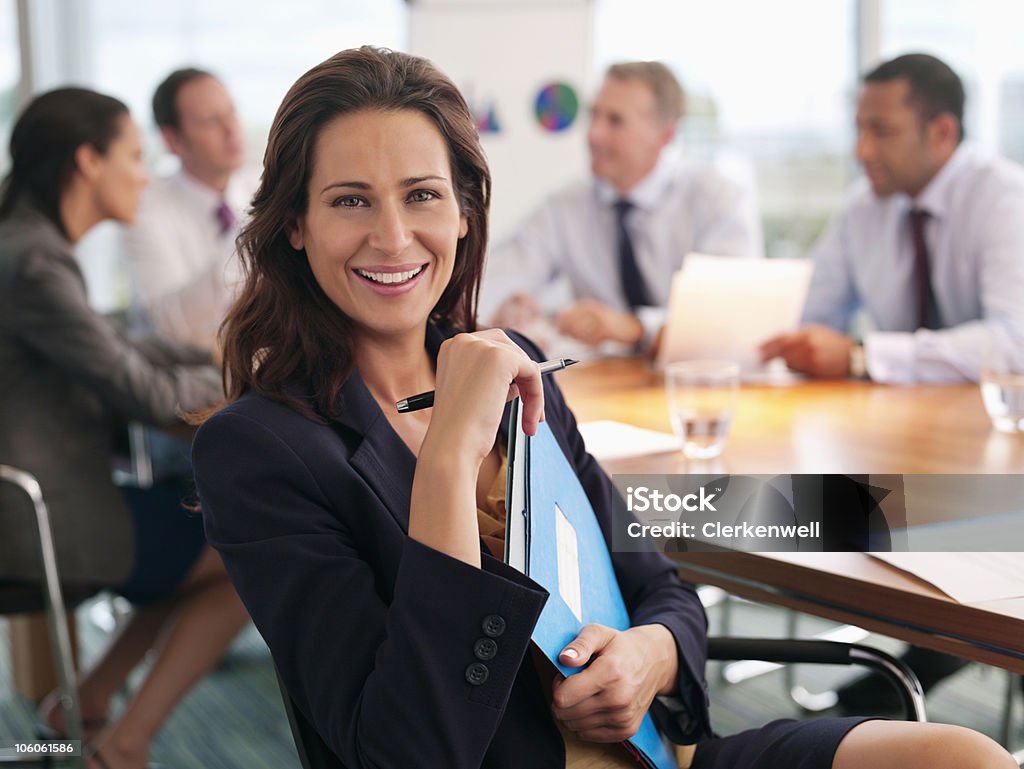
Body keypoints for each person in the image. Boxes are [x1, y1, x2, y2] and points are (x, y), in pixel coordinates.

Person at [190, 47, 1015, 769]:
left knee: (961, 754)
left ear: (465, 210)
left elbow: (663, 589)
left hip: (661, 752)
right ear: (293, 223)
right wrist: (445, 461)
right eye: (349, 201)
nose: (396, 237)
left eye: (422, 195)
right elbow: (410, 749)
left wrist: (650, 657)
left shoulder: (513, 365)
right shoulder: (260, 448)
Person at [0, 87, 250, 769]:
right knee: (246, 545)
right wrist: (243, 387)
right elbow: (140, 391)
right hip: (37, 522)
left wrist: (206, 360)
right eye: (134, 155)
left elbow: (118, 348)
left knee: (203, 537)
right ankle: (123, 743)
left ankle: (85, 702)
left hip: (43, 504)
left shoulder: (28, 244)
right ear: (88, 160)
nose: (143, 174)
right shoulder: (35, 261)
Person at [760, 53, 1024, 384]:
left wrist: (863, 356)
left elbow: (1015, 342)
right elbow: (806, 308)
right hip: (899, 417)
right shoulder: (865, 205)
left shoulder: (1006, 200)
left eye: (881, 132)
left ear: (942, 133)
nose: (862, 151)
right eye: (859, 130)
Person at [479, 61, 763, 352]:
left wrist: (635, 327)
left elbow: (730, 315)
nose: (594, 134)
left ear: (665, 136)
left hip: (703, 379)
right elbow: (493, 283)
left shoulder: (717, 199)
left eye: (615, 121)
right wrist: (505, 311)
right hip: (607, 388)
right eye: (594, 115)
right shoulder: (564, 208)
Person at [119, 67, 252, 351]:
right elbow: (172, 326)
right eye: (212, 122)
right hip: (190, 380)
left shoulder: (261, 185)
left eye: (232, 114)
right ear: (173, 141)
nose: (232, 130)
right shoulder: (143, 209)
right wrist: (250, 235)